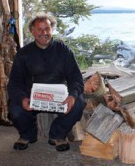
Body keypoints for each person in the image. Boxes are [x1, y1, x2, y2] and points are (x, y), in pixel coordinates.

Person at [7, 12, 86, 152]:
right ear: (32, 31)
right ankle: (27, 135)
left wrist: (72, 96)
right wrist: (22, 98)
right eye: (39, 29)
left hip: (59, 96)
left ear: (52, 30)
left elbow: (76, 78)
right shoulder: (23, 53)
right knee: (15, 108)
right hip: (32, 96)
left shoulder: (64, 51)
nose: (44, 32)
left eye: (47, 28)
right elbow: (14, 83)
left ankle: (58, 135)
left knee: (79, 103)